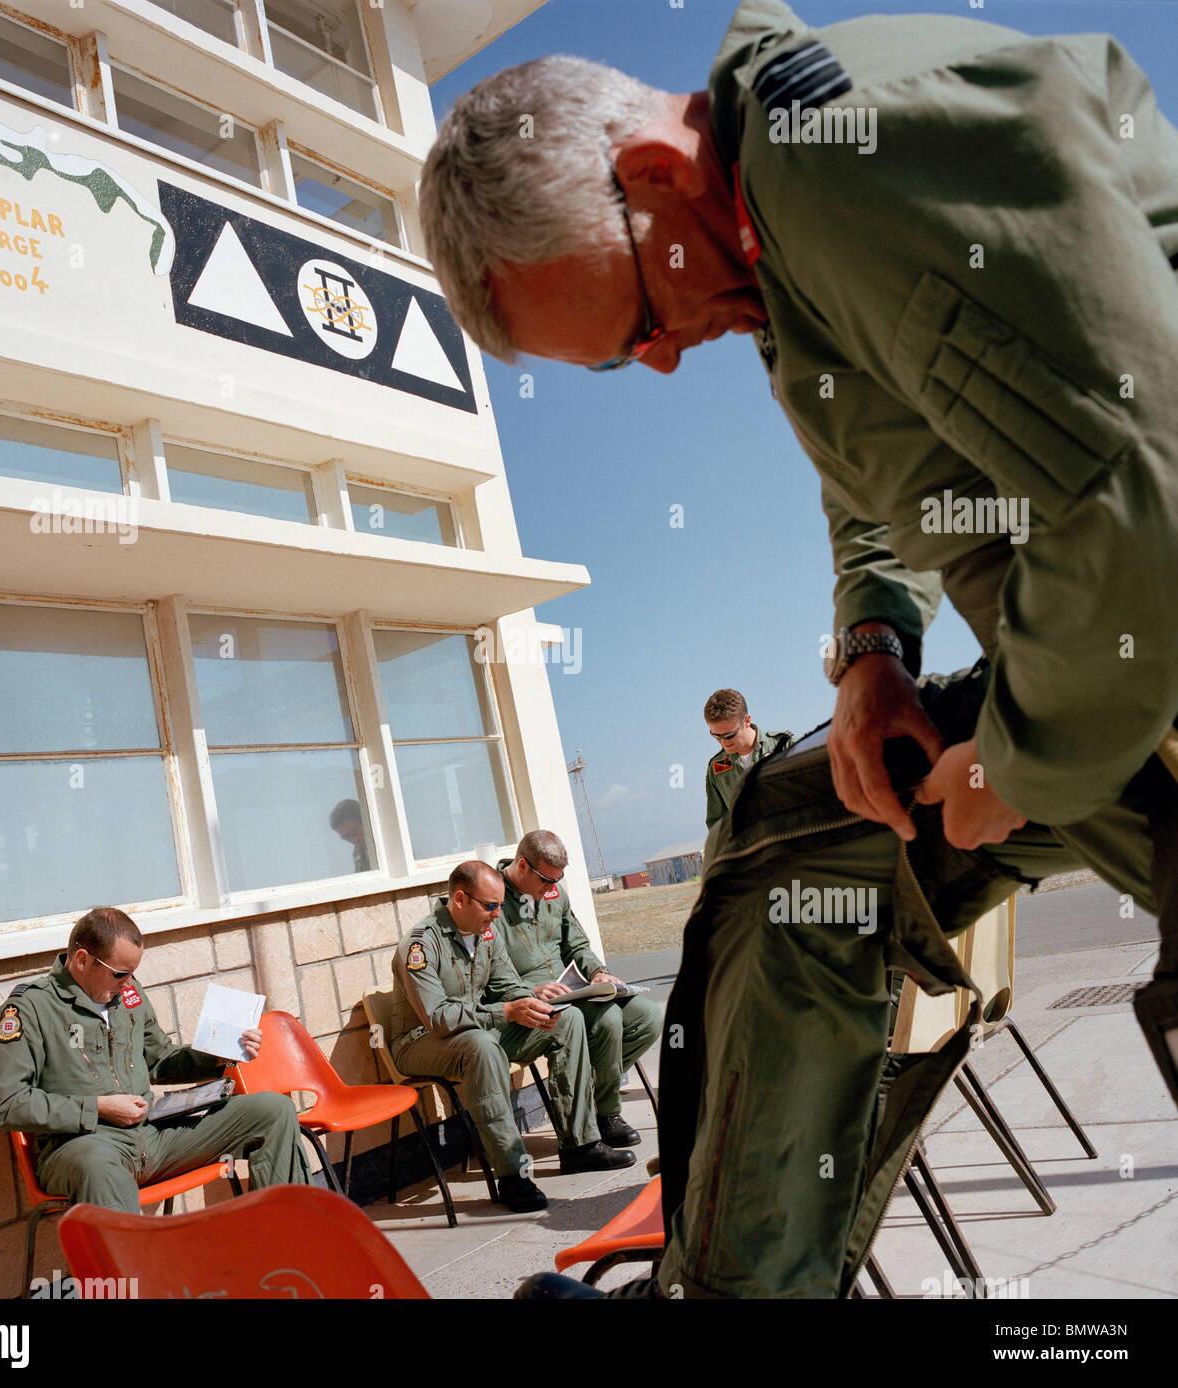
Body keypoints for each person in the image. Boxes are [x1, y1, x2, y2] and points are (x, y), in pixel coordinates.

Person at [417, 0, 1178, 1296]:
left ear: (655, 174)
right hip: (1103, 662)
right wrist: (876, 644)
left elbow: (1145, 503)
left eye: (636, 321)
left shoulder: (834, 152)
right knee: (787, 849)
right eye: (620, 360)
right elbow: (878, 466)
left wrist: (1018, 766)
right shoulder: (783, 255)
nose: (660, 362)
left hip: (1127, 652)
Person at [0, 907, 309, 1213]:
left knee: (272, 1111)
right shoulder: (30, 1009)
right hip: (83, 1146)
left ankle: (290, 1247)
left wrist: (217, 1054)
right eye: (120, 973)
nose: (128, 982)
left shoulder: (128, 995)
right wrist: (98, 1108)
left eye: (132, 973)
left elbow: (159, 1060)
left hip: (151, 1137)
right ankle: (127, 1273)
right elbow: (5, 1105)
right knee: (100, 1169)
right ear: (82, 960)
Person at [390, 860, 634, 1213]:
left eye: (501, 905)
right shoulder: (420, 945)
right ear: (460, 899)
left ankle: (580, 1146)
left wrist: (532, 1003)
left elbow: (506, 984)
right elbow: (438, 1018)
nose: (497, 914)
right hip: (420, 1042)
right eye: (490, 906)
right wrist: (506, 1012)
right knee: (483, 1046)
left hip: (475, 1031)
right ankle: (513, 1174)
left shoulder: (486, 932)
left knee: (567, 1021)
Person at [497, 830, 661, 1147]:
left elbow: (577, 944)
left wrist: (599, 972)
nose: (550, 889)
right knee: (607, 1021)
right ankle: (606, 1114)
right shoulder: (492, 900)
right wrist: (528, 991)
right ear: (521, 867)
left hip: (574, 990)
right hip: (532, 1002)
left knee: (648, 1017)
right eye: (545, 880)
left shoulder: (555, 893)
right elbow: (488, 972)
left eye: (556, 881)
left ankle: (591, 1096)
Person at [702, 689, 792, 831]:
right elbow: (717, 825)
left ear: (747, 721)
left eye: (729, 735)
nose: (723, 742)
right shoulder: (717, 768)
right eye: (716, 736)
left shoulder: (785, 746)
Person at [329, 798, 372, 874]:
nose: (352, 840)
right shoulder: (358, 852)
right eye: (346, 838)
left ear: (365, 821)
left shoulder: (388, 843)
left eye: (353, 833)